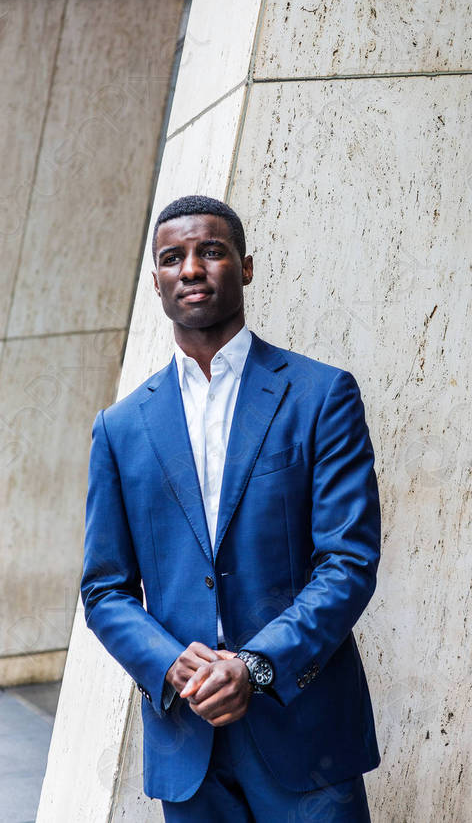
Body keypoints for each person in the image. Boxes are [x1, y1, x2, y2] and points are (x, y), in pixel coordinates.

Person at [80, 195, 381, 822]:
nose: (191, 268)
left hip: (304, 732)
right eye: (172, 258)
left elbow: (349, 560)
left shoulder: (321, 396)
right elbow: (105, 588)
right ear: (156, 281)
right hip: (187, 741)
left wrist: (257, 666)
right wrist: (168, 663)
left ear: (244, 268)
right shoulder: (121, 427)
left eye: (210, 251)